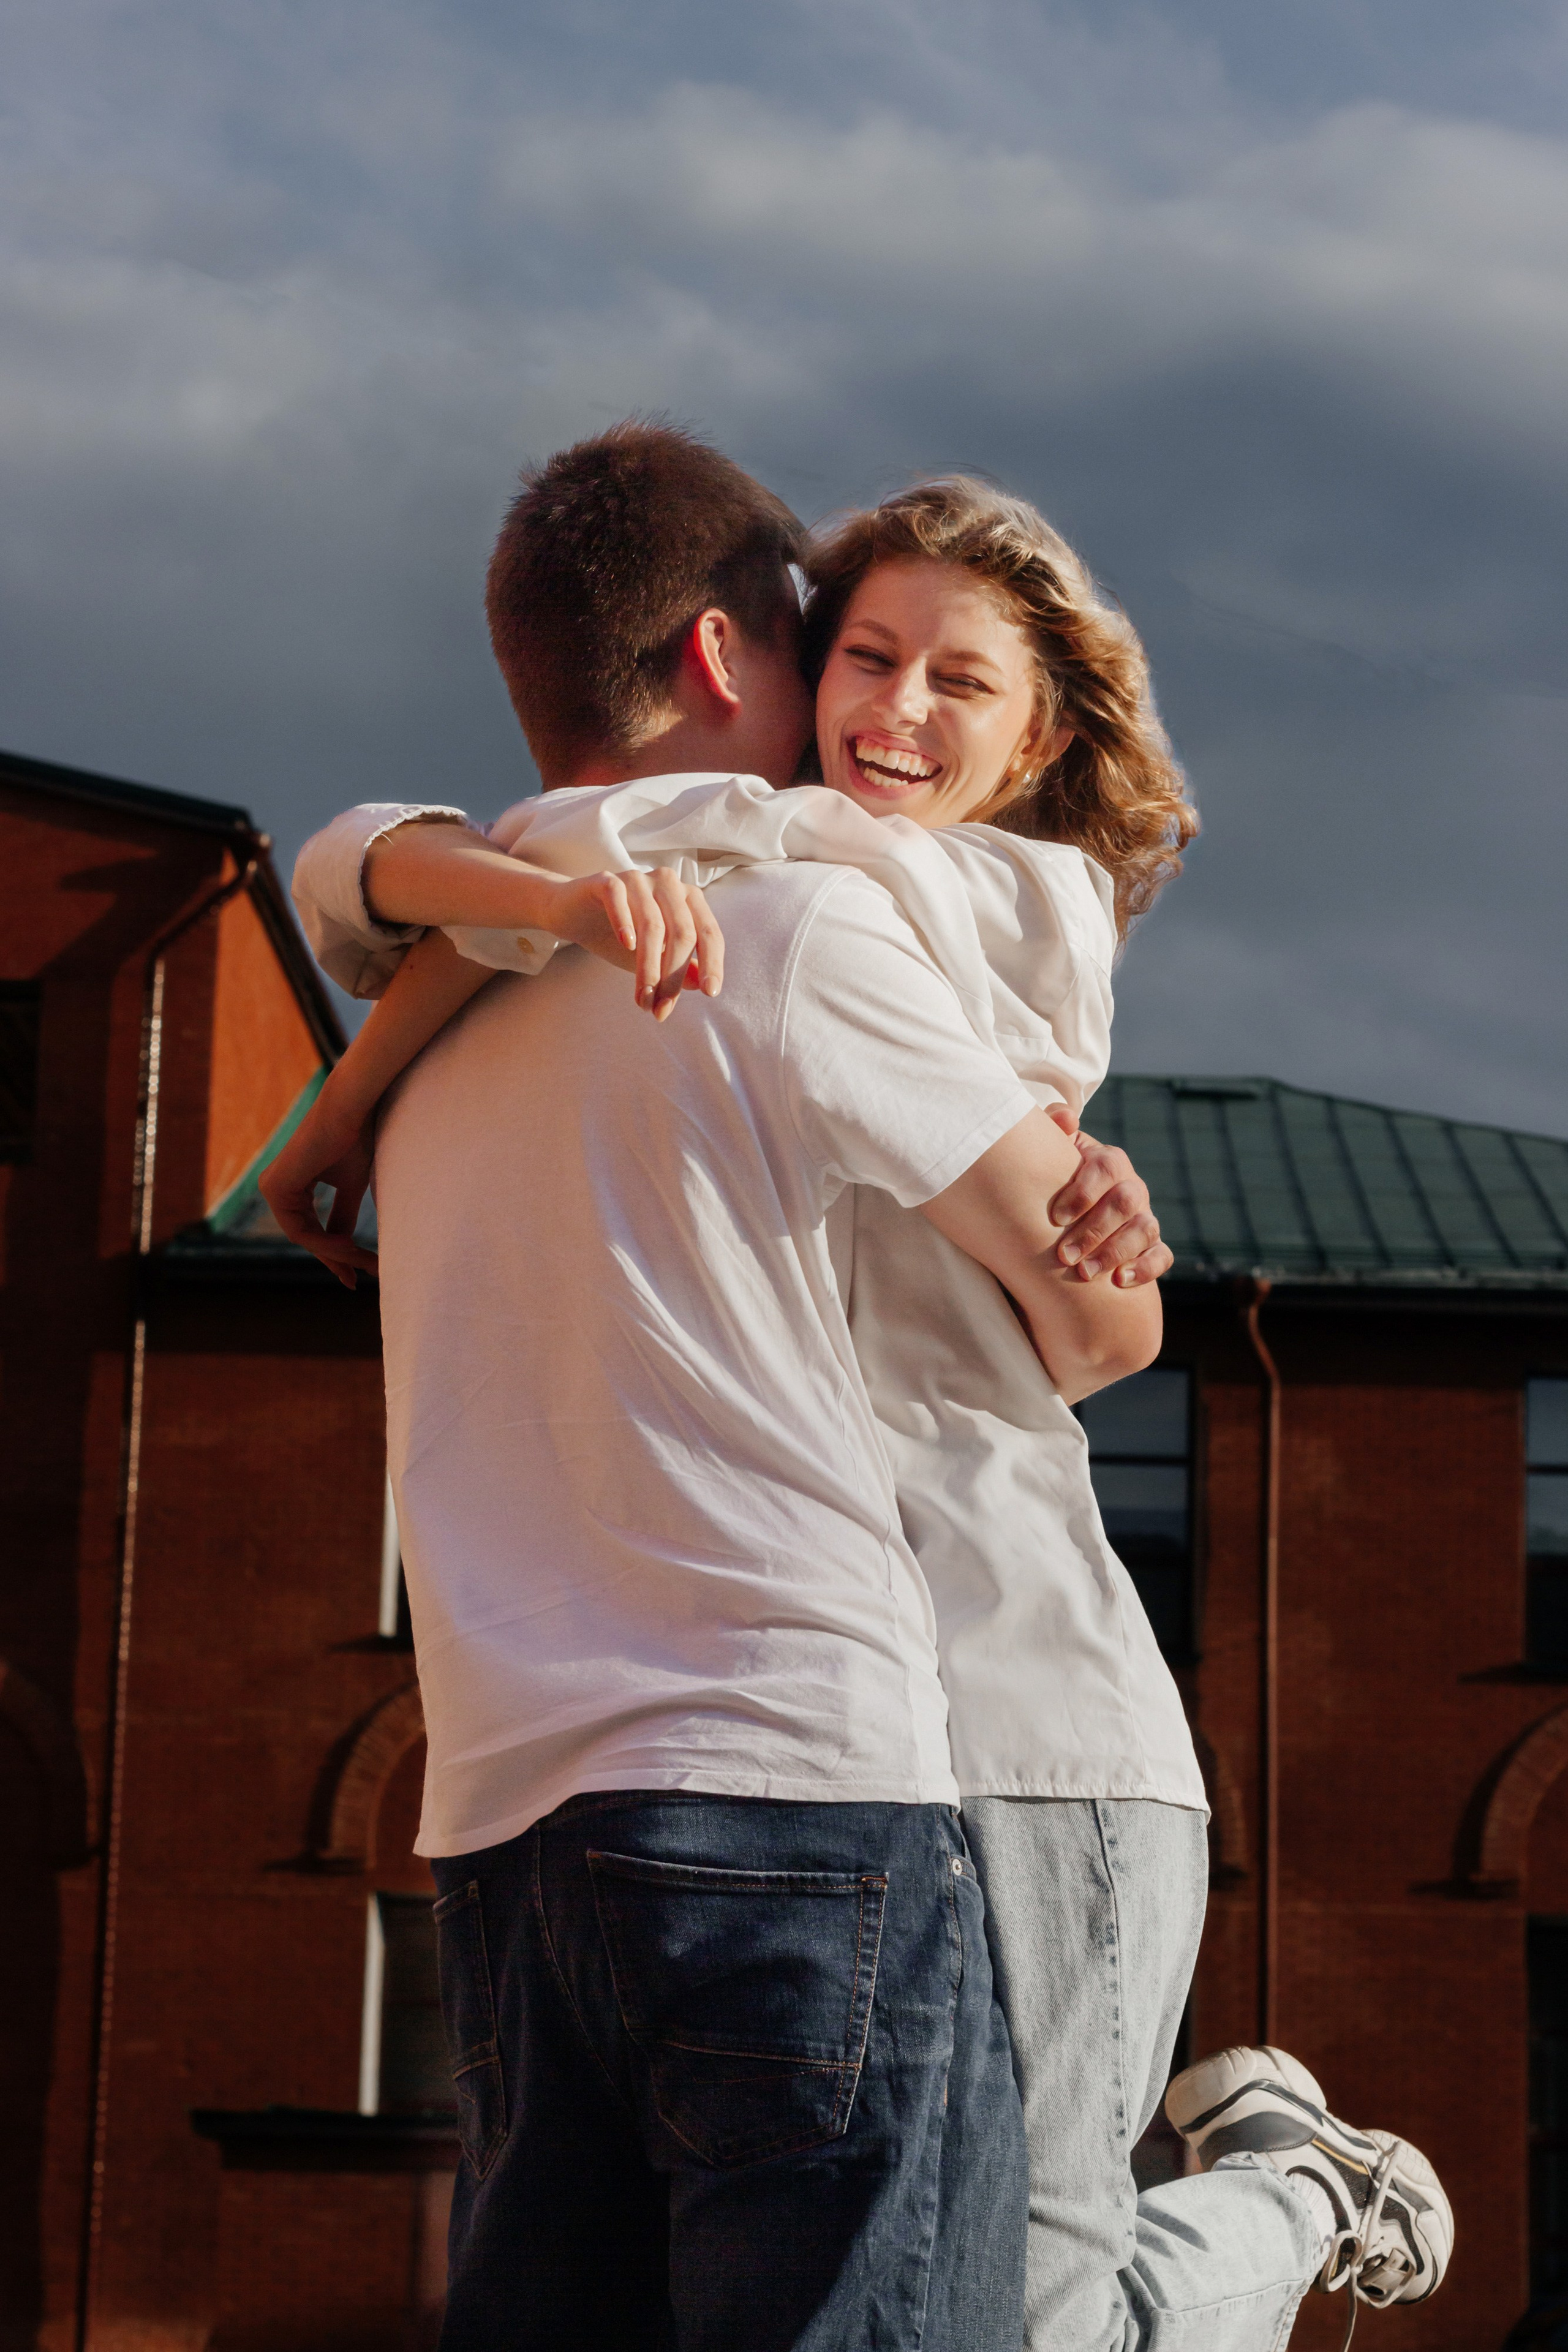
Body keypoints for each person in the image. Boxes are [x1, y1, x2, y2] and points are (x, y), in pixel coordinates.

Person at [271, 434, 1452, 2348]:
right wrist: (373, 1048)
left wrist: (351, 1074)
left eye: (960, 678)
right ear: (765, 666)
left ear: (1045, 731)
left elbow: (540, 856)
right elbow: (539, 858)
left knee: (1038, 2328)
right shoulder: (691, 899)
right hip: (837, 1749)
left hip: (1020, 1704)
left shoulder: (923, 900)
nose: (895, 712)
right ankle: (1291, 2181)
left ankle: (1298, 2195)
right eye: (868, 658)